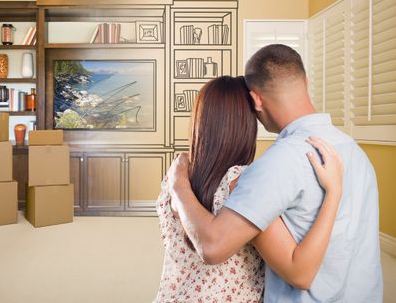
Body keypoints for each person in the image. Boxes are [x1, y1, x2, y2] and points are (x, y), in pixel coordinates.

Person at [166, 45, 383, 302]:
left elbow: (212, 247)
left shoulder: (277, 163)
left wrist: (178, 183)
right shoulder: (353, 150)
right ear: (305, 82)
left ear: (256, 99)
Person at [155, 76, 344, 302]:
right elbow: (299, 273)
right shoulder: (242, 184)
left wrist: (178, 183)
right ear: (246, 125)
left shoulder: (175, 176)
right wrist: (334, 192)